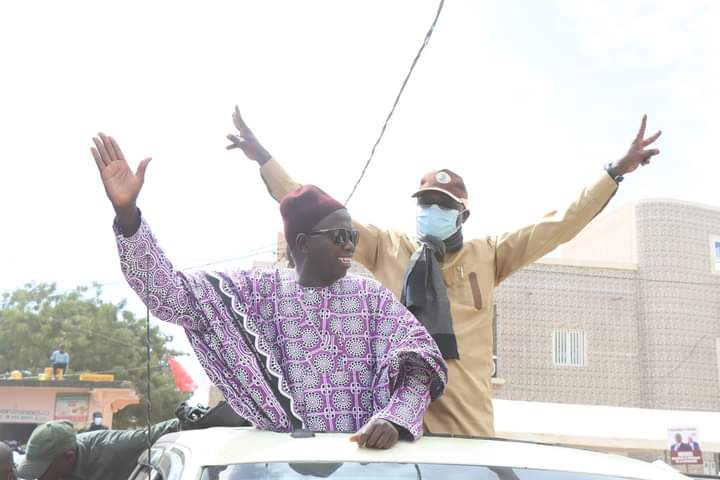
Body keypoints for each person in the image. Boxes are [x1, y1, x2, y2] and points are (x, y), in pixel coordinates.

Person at [227, 107, 662, 437]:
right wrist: (264, 159)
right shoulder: (388, 248)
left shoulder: (490, 255)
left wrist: (615, 172)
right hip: (394, 429)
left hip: (468, 435)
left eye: (444, 205)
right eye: (425, 203)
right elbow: (310, 209)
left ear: (462, 215)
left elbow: (560, 223)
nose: (432, 211)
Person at [90, 133, 447, 449]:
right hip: (276, 464)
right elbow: (167, 295)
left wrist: (395, 418)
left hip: (361, 465)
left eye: (352, 236)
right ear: (303, 243)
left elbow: (421, 362)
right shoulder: (254, 292)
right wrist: (127, 215)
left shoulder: (372, 299)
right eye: (339, 236)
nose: (350, 246)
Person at [15, 419, 178, 480]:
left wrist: (191, 418)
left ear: (69, 457)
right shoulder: (58, 471)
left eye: (44, 470)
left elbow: (159, 432)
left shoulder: (112, 447)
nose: (39, 478)